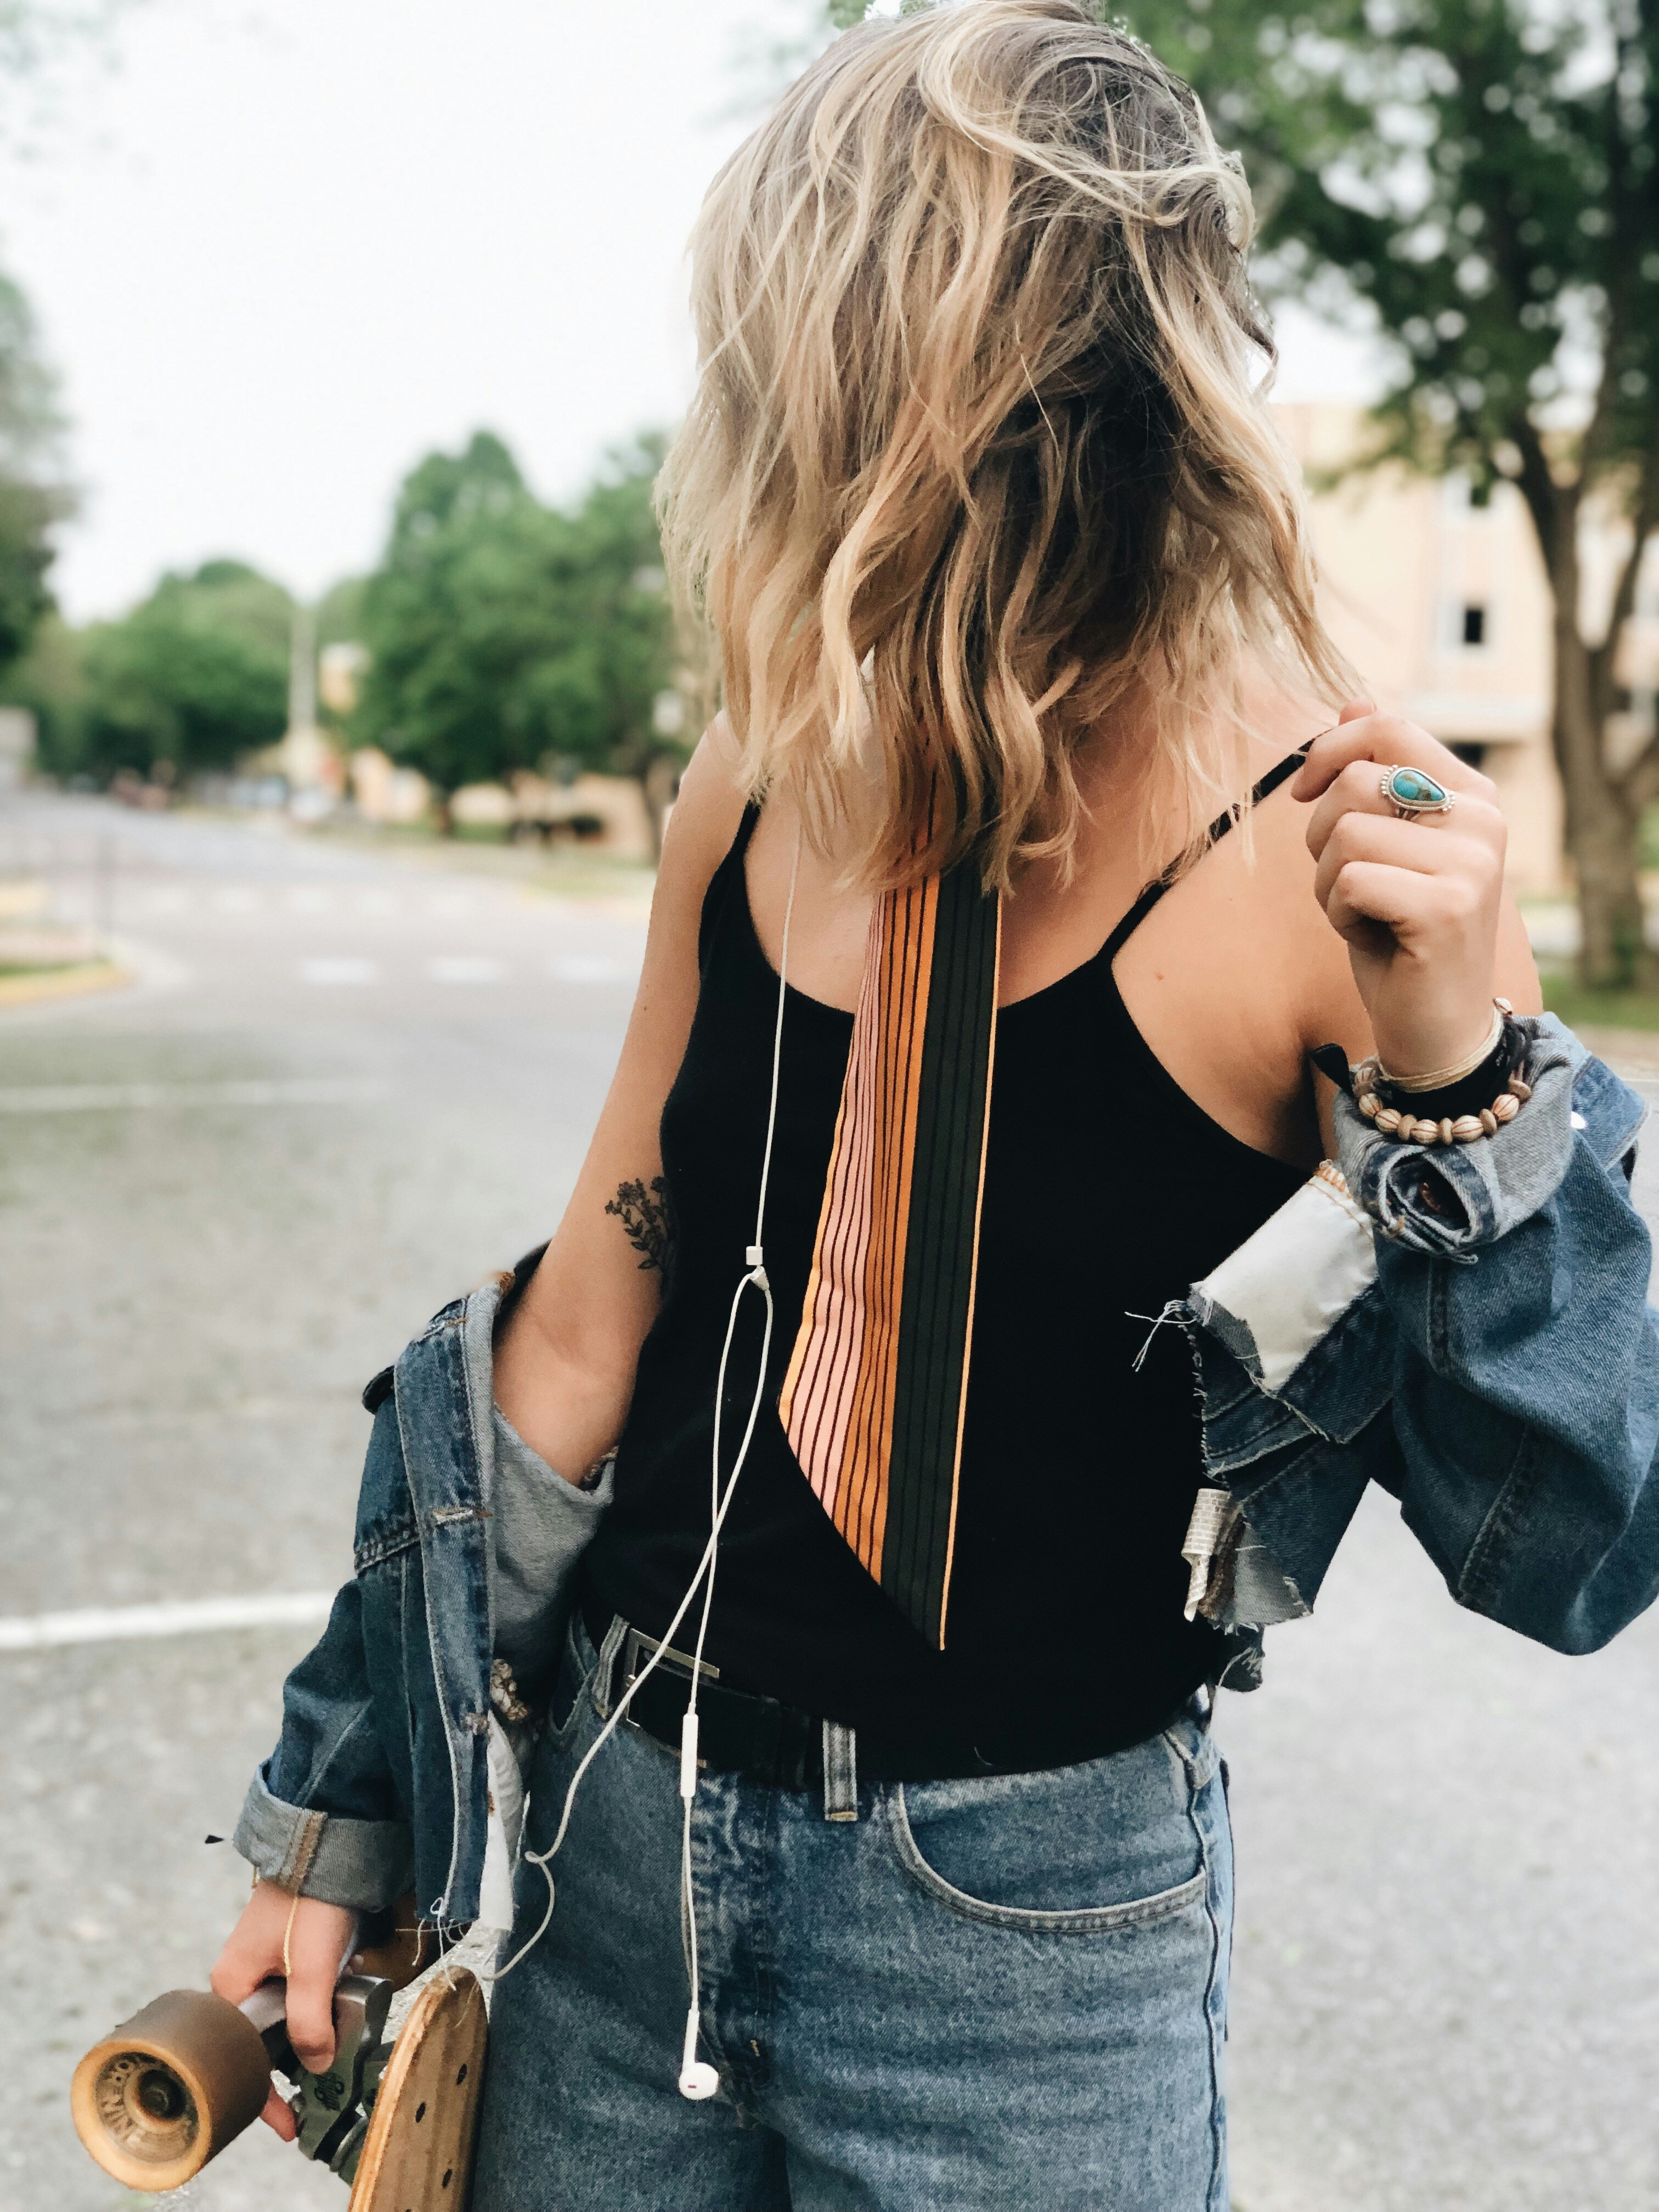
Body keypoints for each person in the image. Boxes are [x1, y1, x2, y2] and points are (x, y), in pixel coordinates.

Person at [208, 5, 1659, 2207]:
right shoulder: (763, 775)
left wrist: (1468, 1087)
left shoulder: (1338, 855)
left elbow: (1575, 1548)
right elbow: (579, 1339)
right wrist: (345, 1806)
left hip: (1033, 1948)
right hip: (623, 1863)